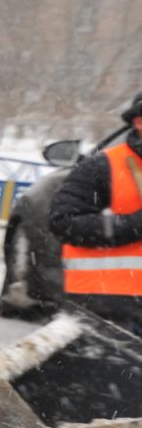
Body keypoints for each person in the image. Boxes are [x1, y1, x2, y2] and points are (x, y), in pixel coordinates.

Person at [50, 90, 142, 333]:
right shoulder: (103, 167)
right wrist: (134, 224)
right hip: (110, 305)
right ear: (138, 121)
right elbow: (64, 223)